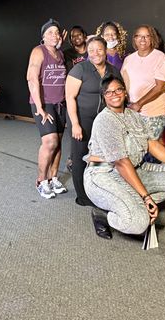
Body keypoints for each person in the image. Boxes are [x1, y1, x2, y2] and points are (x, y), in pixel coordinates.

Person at [84, 75, 165, 238]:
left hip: (134, 169)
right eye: (109, 92)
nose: (114, 94)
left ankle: (135, 204)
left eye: (118, 89)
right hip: (104, 175)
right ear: (104, 96)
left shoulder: (132, 115)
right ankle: (104, 214)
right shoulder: (105, 120)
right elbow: (121, 162)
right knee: (139, 223)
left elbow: (152, 144)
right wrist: (146, 197)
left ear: (125, 92)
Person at [65, 37, 121, 206]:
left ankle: (97, 189)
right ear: (87, 53)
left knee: (100, 157)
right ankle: (82, 196)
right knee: (80, 156)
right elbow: (70, 97)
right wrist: (75, 124)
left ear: (105, 50)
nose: (95, 53)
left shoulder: (113, 70)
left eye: (99, 50)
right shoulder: (80, 69)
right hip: (82, 119)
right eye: (91, 51)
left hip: (104, 121)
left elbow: (117, 96)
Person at [26, 19, 68, 199]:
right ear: (43, 36)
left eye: (56, 32)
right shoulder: (38, 51)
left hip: (60, 103)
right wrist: (40, 108)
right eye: (49, 32)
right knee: (50, 142)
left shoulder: (60, 54)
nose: (54, 35)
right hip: (43, 103)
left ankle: (53, 178)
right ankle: (41, 181)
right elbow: (32, 78)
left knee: (58, 143)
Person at [121, 25, 165, 145]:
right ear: (134, 39)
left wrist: (139, 104)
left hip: (154, 111)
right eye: (139, 36)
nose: (142, 39)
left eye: (147, 36)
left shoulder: (160, 57)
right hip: (133, 111)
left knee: (150, 146)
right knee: (135, 147)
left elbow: (161, 87)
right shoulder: (129, 59)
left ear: (152, 39)